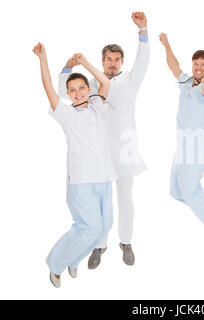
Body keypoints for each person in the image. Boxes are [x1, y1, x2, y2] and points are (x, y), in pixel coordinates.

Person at [58, 12, 149, 268]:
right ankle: (100, 245)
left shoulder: (131, 79)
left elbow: (144, 59)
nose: (112, 63)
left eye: (116, 60)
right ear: (101, 61)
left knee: (125, 198)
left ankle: (126, 241)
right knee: (101, 201)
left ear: (122, 62)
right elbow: (63, 92)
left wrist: (143, 31)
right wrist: (67, 65)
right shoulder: (92, 85)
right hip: (98, 154)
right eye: (108, 59)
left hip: (125, 151)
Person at [33, 43, 116, 287]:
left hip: (104, 178)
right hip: (80, 182)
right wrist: (43, 58)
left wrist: (85, 63)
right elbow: (48, 86)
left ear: (89, 89)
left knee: (103, 229)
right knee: (89, 229)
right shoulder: (66, 114)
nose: (78, 92)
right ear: (68, 94)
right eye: (72, 89)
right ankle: (55, 266)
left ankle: (74, 260)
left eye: (82, 87)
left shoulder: (98, 107)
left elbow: (106, 83)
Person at [159, 32, 204, 252]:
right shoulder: (187, 81)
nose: (198, 67)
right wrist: (167, 43)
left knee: (189, 190)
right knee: (176, 190)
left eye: (203, 64)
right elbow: (173, 65)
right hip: (182, 144)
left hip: (198, 145)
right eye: (196, 63)